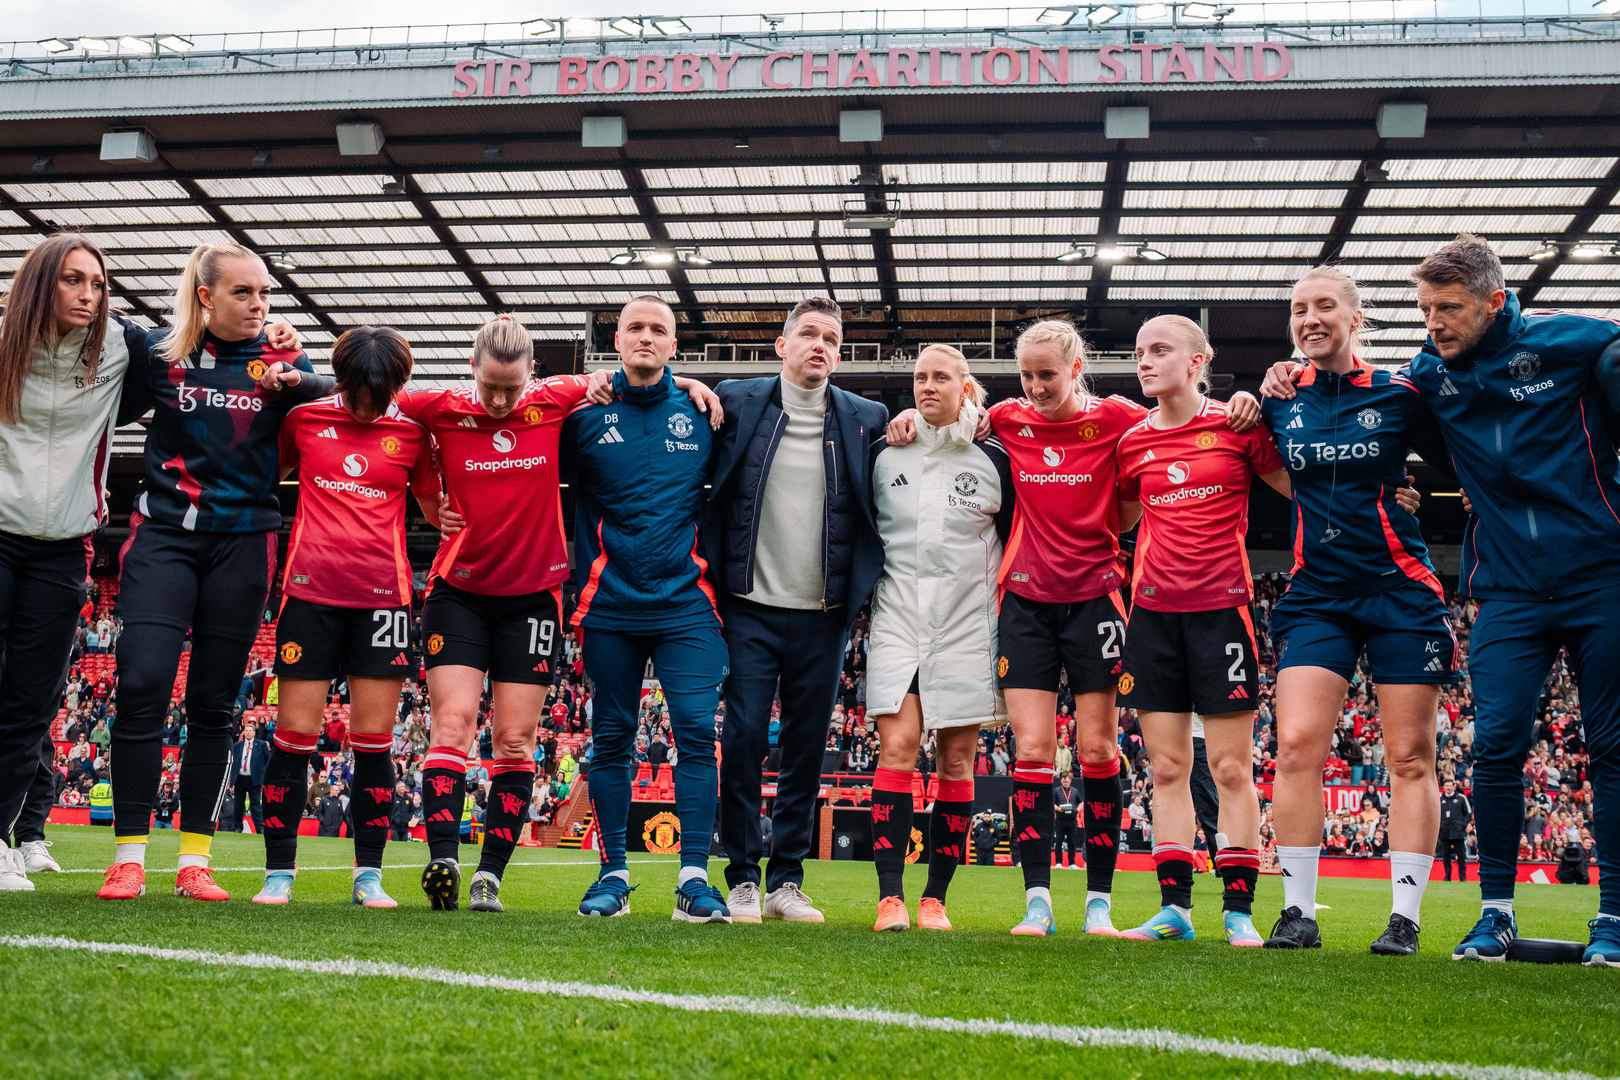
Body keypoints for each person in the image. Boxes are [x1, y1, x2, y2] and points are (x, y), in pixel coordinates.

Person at [1263, 234, 1620, 966]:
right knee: (1489, 748)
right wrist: (1262, 392)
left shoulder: (1562, 346)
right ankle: (1491, 917)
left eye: (1448, 308)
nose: (1433, 323)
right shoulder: (1403, 380)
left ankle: (1605, 918)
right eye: (1425, 309)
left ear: (1493, 302)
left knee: (1600, 747)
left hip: (1587, 576)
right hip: (1492, 588)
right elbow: (1301, 456)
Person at [887, 319, 1260, 936]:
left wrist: (1244, 399)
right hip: (1026, 602)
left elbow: (1155, 462)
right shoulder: (1007, 418)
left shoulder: (1120, 420)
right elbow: (951, 412)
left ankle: (1099, 902)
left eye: (1048, 375)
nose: (1035, 387)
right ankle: (1038, 900)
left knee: (1098, 750)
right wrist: (909, 416)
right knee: (1033, 751)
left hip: (1098, 600)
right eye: (1027, 375)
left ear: (1076, 370)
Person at [395, 315, 717, 913]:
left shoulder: (557, 398)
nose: (500, 401)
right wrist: (427, 495)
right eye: (490, 387)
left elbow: (640, 378)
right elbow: (373, 402)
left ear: (532, 375)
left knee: (515, 740)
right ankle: (443, 858)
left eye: (511, 388)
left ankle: (490, 876)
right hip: (458, 590)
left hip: (533, 594)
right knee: (452, 725)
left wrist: (691, 383)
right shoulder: (438, 404)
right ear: (471, 368)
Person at [97, 241, 318, 902]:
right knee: (141, 682)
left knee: (214, 703)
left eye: (265, 294)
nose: (258, 306)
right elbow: (95, 401)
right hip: (163, 537)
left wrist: (300, 376)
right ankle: (129, 856)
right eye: (243, 293)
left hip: (244, 544)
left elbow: (336, 415)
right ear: (204, 296)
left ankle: (195, 858)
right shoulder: (159, 355)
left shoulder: (284, 359)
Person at [1257, 266, 1460, 958]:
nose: (1309, 319)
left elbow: (1460, 461)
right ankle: (1296, 912)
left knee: (1409, 755)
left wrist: (1411, 495)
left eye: (1323, 306)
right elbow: (1271, 468)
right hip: (1318, 594)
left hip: (1400, 590)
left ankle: (1404, 919)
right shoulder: (1280, 398)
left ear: (1356, 317)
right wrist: (1254, 396)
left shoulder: (1400, 393)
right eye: (1298, 309)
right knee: (1295, 746)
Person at [706, 296, 887, 924]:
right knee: (744, 737)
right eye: (808, 334)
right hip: (749, 606)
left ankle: (786, 879)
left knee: (806, 748)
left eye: (831, 339)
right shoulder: (735, 400)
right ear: (782, 345)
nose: (820, 346)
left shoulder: (866, 417)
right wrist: (682, 384)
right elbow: (675, 408)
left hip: (823, 612)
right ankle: (741, 877)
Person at [1114, 315, 1290, 948]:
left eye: (1160, 350)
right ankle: (1175, 909)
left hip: (1223, 613)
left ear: (1198, 361)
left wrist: (1395, 497)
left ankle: (1239, 909)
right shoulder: (1132, 442)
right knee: (1166, 768)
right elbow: (1120, 518)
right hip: (1153, 618)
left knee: (1231, 768)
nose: (1145, 361)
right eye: (1140, 352)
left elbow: (1302, 488)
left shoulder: (1238, 426)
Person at [250, 326, 440, 909]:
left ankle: (369, 875)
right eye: (359, 395)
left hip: (383, 601)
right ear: (341, 380)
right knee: (293, 738)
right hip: (309, 596)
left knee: (374, 743)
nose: (368, 407)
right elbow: (259, 475)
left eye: (380, 397)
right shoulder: (304, 420)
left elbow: (438, 510)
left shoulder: (413, 434)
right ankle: (279, 872)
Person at [563, 295, 730, 922]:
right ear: (616, 339)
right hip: (609, 603)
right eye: (634, 327)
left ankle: (694, 879)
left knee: (695, 732)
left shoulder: (703, 411)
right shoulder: (582, 418)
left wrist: (691, 385)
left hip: (687, 602)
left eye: (659, 329)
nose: (645, 336)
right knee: (611, 739)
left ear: (673, 345)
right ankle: (612, 876)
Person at [865, 345, 1011, 932]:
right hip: (898, 619)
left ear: (964, 386)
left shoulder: (994, 455)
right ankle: (890, 898)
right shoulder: (885, 453)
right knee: (897, 748)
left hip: (968, 626)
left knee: (956, 760)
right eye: (920, 377)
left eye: (941, 377)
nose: (928, 386)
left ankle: (935, 900)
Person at [228, 723, 269, 833]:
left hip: (255, 779)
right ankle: (237, 827)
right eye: (246, 730)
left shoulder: (261, 745)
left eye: (250, 731)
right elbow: (232, 764)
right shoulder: (237, 746)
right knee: (238, 805)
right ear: (243, 732)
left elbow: (268, 761)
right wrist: (231, 781)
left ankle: (260, 828)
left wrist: (263, 776)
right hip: (240, 778)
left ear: (254, 733)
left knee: (255, 804)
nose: (248, 733)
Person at [1438, 779, 1472, 882]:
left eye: (1450, 785)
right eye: (1446, 786)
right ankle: (1447, 877)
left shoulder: (1461, 798)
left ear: (1454, 786)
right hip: (1444, 833)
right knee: (1446, 857)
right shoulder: (1439, 799)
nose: (1448, 788)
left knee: (1461, 857)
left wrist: (1463, 825)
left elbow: (1468, 813)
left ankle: (1462, 878)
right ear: (1443, 787)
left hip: (1458, 833)